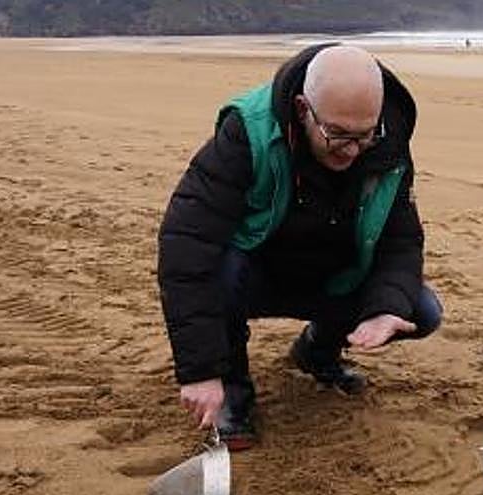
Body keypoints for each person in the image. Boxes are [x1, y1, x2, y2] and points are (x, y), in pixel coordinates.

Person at [157, 44, 442, 450]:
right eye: (338, 135)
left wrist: (386, 308)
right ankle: (233, 395)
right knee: (218, 267)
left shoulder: (386, 139)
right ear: (303, 108)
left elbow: (401, 237)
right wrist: (200, 371)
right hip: (254, 276)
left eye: (365, 136)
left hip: (332, 278)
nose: (352, 150)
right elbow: (185, 246)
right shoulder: (247, 132)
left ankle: (317, 352)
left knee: (421, 310)